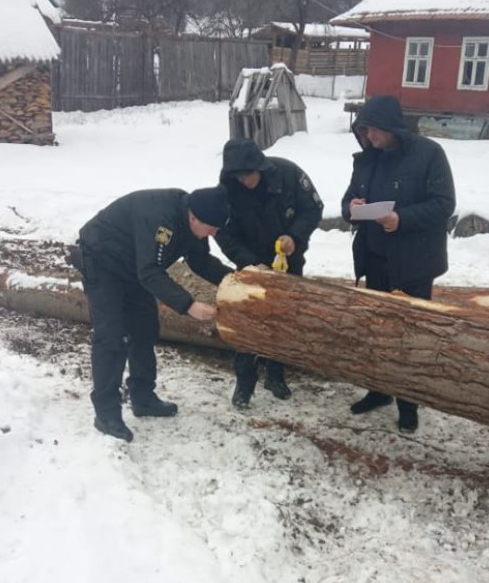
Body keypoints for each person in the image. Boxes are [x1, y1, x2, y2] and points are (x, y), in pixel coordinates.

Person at [73, 185, 231, 442]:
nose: (213, 233)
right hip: (102, 260)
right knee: (112, 337)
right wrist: (189, 306)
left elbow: (200, 261)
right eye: (212, 228)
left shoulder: (193, 219)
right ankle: (106, 413)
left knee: (145, 329)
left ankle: (143, 396)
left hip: (134, 265)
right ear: (194, 217)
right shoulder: (161, 220)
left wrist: (234, 280)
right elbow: (150, 271)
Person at [341, 94, 456, 433]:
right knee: (376, 331)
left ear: (392, 127)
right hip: (375, 258)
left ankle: (408, 403)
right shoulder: (367, 159)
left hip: (414, 263)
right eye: (364, 131)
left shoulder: (429, 154)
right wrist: (353, 206)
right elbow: (348, 197)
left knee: (409, 336)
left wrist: (401, 219)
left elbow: (443, 204)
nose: (369, 137)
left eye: (374, 130)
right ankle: (378, 390)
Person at [217, 137, 324, 409]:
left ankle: (275, 375)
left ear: (260, 168)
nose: (245, 181)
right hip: (252, 266)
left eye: (249, 175)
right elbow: (224, 234)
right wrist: (250, 263)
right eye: (239, 177)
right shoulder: (227, 191)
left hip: (289, 260)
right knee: (247, 323)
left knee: (282, 319)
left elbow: (313, 208)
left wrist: (294, 237)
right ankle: (244, 384)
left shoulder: (288, 174)